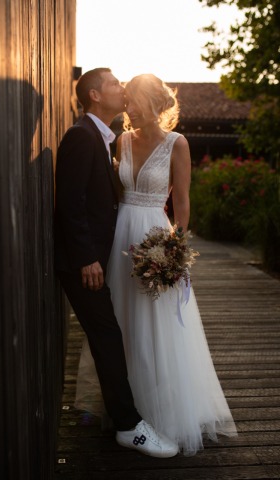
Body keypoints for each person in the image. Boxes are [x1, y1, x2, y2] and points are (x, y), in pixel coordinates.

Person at [76, 73, 237, 456]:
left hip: (156, 239)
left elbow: (181, 205)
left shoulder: (177, 144)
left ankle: (162, 412)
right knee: (122, 322)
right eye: (125, 99)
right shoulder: (122, 142)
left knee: (158, 326)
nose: (127, 107)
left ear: (152, 103)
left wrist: (174, 254)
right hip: (121, 240)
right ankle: (126, 411)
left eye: (133, 101)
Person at [54, 68, 179, 458]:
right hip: (83, 264)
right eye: (113, 84)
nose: (121, 88)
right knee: (108, 337)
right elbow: (69, 205)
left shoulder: (102, 138)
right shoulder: (81, 136)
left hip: (101, 257)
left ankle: (127, 421)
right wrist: (88, 258)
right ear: (94, 95)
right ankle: (128, 426)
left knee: (110, 335)